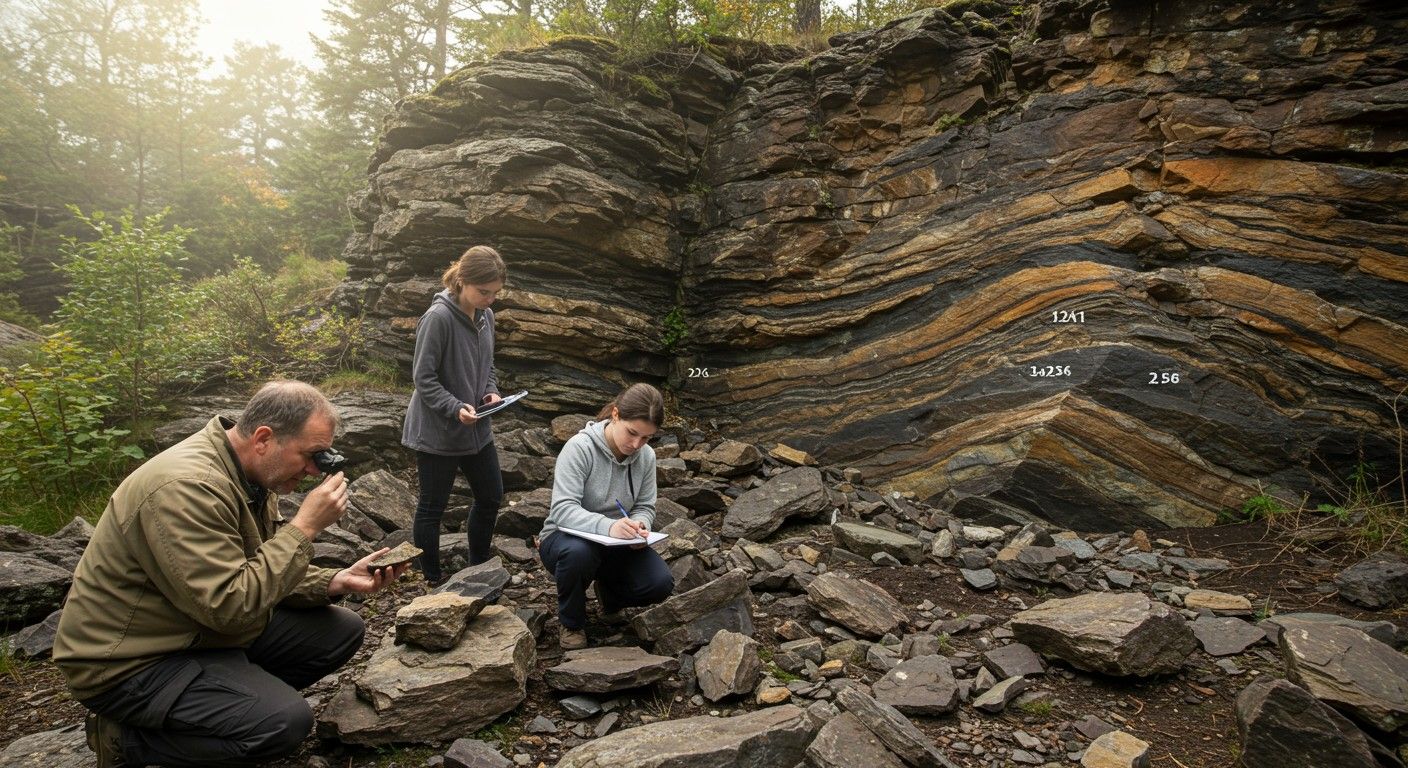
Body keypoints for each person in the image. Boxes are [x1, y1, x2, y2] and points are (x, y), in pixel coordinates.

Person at [52, 380, 412, 768]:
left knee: (339, 629)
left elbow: (254, 566)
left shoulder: (253, 473)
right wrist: (304, 528)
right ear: (263, 438)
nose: (313, 470)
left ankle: (224, 706)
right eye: (311, 455)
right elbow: (229, 605)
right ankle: (126, 739)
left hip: (194, 629)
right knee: (283, 724)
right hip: (130, 661)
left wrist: (333, 581)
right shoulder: (186, 487)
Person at [538, 383, 675, 650]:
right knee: (579, 554)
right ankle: (572, 623)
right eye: (632, 433)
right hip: (564, 538)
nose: (636, 444)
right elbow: (563, 510)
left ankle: (609, 595)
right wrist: (609, 526)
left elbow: (646, 506)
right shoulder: (579, 448)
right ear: (615, 415)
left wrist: (640, 526)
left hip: (617, 543)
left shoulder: (646, 457)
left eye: (646, 438)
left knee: (659, 583)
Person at [402, 245, 507, 586]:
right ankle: (431, 580)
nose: (490, 299)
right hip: (438, 431)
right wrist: (454, 407)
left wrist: (490, 390)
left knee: (491, 496)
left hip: (478, 429)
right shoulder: (438, 319)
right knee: (432, 508)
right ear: (462, 281)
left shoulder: (485, 316)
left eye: (495, 293)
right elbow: (423, 378)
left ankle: (478, 566)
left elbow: (487, 364)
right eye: (483, 292)